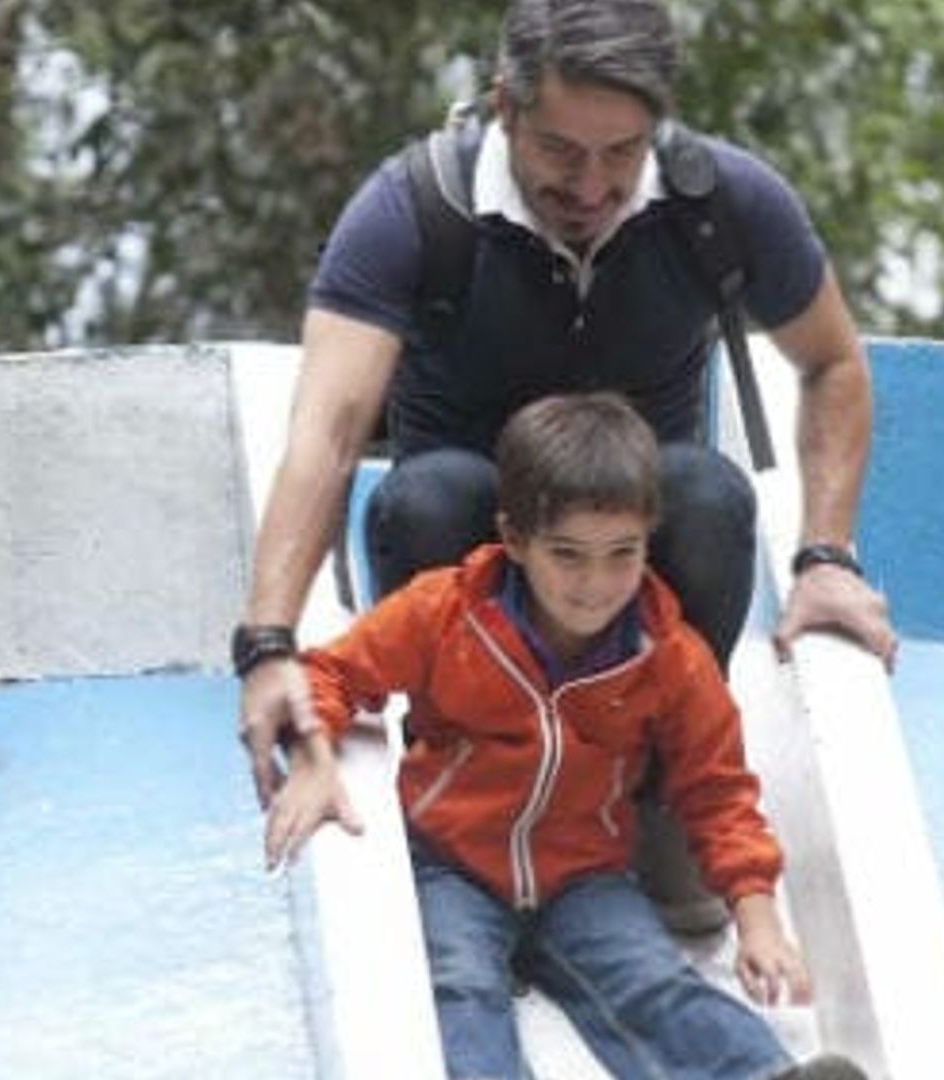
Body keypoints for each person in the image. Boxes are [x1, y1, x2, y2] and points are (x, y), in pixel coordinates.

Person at [235, 0, 895, 809]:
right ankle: (455, 792)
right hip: (471, 549)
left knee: (709, 496)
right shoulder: (413, 208)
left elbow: (833, 361)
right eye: (559, 150)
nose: (590, 187)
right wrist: (268, 644)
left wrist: (826, 558)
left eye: (621, 152)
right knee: (424, 499)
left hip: (635, 553)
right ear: (505, 107)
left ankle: (661, 803)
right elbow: (327, 434)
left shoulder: (722, 205)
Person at [263, 394, 867, 1080]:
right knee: (458, 988)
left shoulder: (666, 653)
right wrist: (313, 760)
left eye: (621, 554)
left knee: (651, 980)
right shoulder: (446, 613)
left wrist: (758, 917)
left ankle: (763, 1075)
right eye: (568, 555)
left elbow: (717, 788)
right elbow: (328, 674)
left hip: (585, 875)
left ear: (648, 539)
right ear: (515, 539)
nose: (596, 584)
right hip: (451, 864)